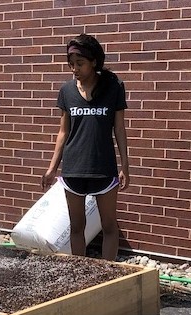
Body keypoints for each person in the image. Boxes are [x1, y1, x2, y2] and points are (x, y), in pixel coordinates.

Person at [41, 33, 130, 261]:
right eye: (71, 64)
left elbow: (119, 129)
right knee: (76, 226)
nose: (74, 69)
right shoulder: (66, 91)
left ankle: (109, 275)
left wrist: (125, 167)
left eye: (79, 63)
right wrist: (52, 169)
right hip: (74, 168)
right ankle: (80, 274)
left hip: (104, 167)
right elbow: (63, 132)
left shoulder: (114, 87)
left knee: (109, 225)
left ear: (94, 62)